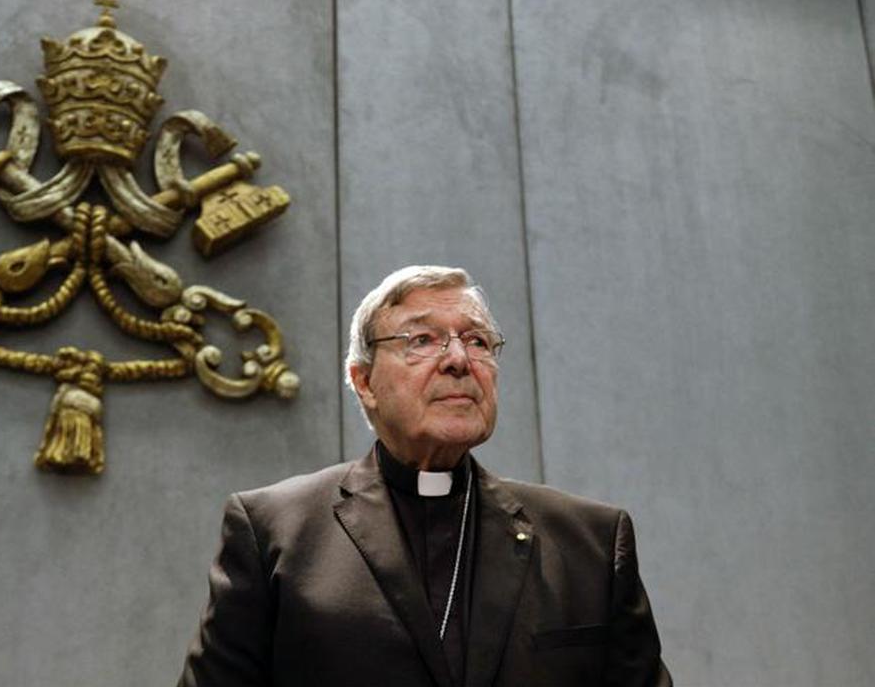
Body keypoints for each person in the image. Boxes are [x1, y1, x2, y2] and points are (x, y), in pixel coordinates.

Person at [178, 265, 672, 687]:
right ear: (364, 382)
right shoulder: (275, 532)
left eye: (477, 341)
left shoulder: (590, 543)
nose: (459, 360)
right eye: (422, 340)